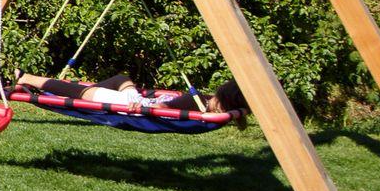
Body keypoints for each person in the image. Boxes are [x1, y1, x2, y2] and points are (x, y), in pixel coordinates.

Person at [14, 70, 248, 118]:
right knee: (120, 79)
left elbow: (163, 110)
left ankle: (25, 78)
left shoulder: (197, 101)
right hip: (140, 102)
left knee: (81, 92)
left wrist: (145, 107)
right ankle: (80, 97)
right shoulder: (208, 106)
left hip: (137, 108)